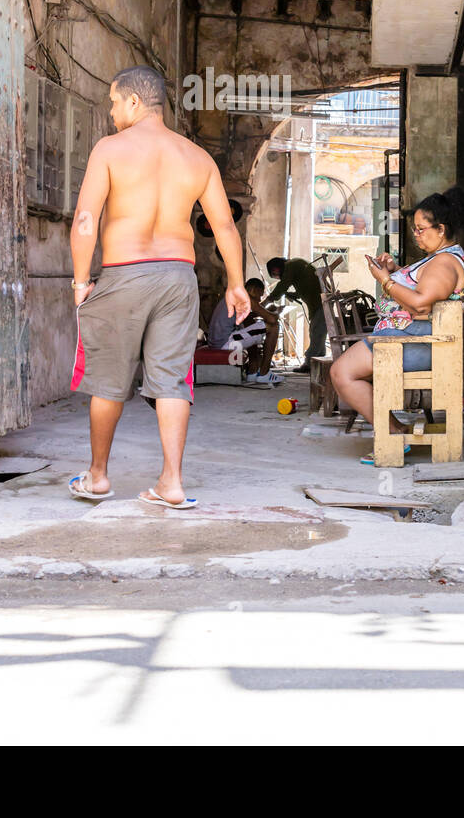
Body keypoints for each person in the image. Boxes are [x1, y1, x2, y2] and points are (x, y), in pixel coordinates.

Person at [68, 65, 250, 509]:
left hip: (125, 273)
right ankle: (171, 482)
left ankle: (97, 477)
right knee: (172, 381)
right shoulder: (197, 157)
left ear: (133, 101)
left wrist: (79, 281)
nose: (111, 113)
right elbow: (224, 225)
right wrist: (236, 283)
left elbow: (86, 220)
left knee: (109, 381)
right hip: (178, 277)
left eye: (113, 102)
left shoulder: (110, 149)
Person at [330, 186, 464, 443]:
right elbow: (421, 287)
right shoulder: (439, 257)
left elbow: (420, 305)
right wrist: (394, 270)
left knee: (342, 373)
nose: (416, 235)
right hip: (408, 338)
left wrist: (386, 281)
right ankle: (394, 429)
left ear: (441, 229)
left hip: (415, 343)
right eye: (413, 229)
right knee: (344, 371)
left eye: (421, 229)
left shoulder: (443, 263)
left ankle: (393, 433)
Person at [207, 277, 282, 385]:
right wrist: (276, 312)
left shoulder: (235, 295)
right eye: (260, 295)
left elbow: (252, 315)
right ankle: (265, 373)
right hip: (225, 343)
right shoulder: (244, 297)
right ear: (253, 290)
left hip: (218, 342)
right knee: (274, 326)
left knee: (249, 322)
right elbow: (272, 319)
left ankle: (253, 371)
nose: (259, 299)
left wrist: (265, 313)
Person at [265, 255, 328, 371]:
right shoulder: (296, 265)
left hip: (321, 301)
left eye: (276, 275)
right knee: (316, 332)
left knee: (317, 332)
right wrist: (293, 295)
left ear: (276, 269)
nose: (278, 277)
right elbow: (304, 286)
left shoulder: (291, 266)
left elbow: (282, 285)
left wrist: (268, 300)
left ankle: (309, 364)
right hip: (317, 302)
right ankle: (319, 361)